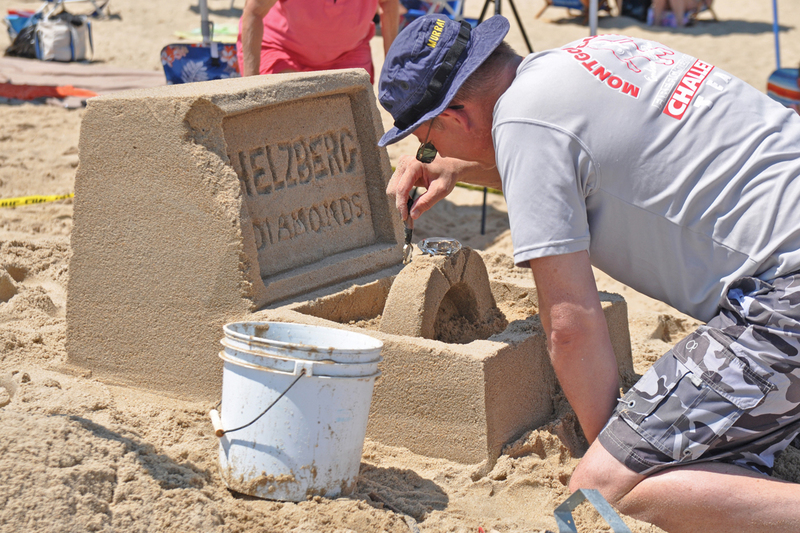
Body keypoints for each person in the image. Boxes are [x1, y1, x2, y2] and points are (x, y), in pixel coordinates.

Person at [377, 14, 800, 533]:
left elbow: (571, 325)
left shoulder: (525, 126)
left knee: (601, 493)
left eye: (428, 143)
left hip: (786, 294)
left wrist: (615, 446)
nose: (435, 155)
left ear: (455, 115)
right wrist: (455, 169)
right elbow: (579, 159)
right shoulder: (592, 54)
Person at [237, 0, 400, 82]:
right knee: (292, 103)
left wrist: (393, 68)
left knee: (351, 117)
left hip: (349, 53)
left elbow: (388, 3)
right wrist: (251, 85)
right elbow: (254, 11)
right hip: (281, 50)